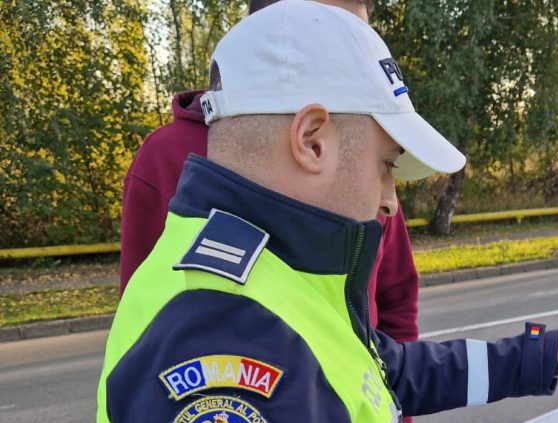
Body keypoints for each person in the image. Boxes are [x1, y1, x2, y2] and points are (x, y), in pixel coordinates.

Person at [96, 2, 558, 423]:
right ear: (312, 140)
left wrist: (553, 355)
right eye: (387, 166)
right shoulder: (228, 329)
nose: (390, 201)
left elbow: (385, 369)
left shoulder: (269, 269)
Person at [119, 0, 418, 347]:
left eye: (363, 36)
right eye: (328, 30)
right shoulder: (165, 157)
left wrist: (392, 392)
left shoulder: (362, 161)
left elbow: (396, 299)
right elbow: (142, 318)